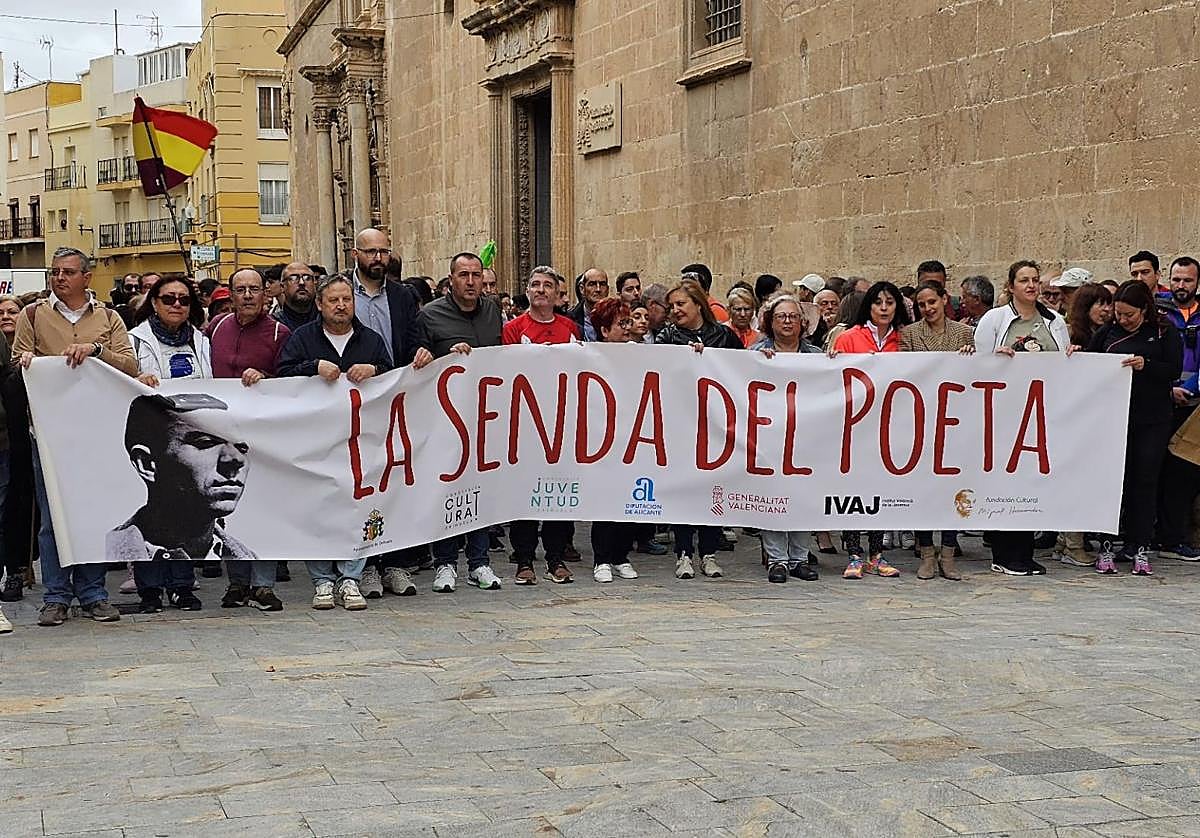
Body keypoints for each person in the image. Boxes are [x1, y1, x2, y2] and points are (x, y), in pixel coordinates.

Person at [13, 247, 139, 627]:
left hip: (97, 433)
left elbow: (130, 365)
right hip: (49, 434)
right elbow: (18, 363)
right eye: (55, 272)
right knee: (52, 519)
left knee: (93, 513)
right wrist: (28, 364)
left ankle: (93, 593)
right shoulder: (32, 315)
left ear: (87, 277)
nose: (59, 278)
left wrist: (96, 351)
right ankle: (56, 596)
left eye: (67, 272)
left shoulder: (109, 317)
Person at [278, 274, 392, 609]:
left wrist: (374, 370)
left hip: (360, 442)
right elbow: (281, 375)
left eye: (347, 300)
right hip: (315, 442)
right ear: (319, 304)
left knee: (357, 509)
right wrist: (312, 367)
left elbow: (394, 377)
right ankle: (322, 580)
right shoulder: (302, 338)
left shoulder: (370, 340)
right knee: (317, 510)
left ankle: (350, 578)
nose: (341, 306)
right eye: (333, 300)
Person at [107, 394, 258, 613]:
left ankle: (181, 588)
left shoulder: (245, 553)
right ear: (146, 463)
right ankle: (151, 590)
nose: (235, 459)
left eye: (242, 448)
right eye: (205, 443)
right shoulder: (108, 546)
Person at [414, 253, 505, 593]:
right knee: (447, 490)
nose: (470, 281)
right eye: (463, 274)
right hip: (444, 418)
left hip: (485, 416)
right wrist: (445, 357)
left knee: (481, 488)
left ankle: (479, 563)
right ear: (450, 279)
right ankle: (446, 562)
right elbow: (417, 362)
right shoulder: (429, 315)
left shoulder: (493, 311)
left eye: (476, 275)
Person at [975, 260, 1073, 576]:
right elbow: (977, 364)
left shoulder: (1054, 321)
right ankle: (1004, 553)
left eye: (1034, 280)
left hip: (1040, 412)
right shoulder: (994, 320)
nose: (1031, 286)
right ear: (1011, 286)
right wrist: (995, 359)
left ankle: (1025, 552)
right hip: (1004, 412)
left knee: (1031, 481)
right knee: (1006, 482)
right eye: (1024, 280)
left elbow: (1061, 361)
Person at [1087, 280, 1181, 576]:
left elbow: (1173, 370)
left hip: (1152, 419)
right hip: (1114, 418)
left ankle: (1139, 544)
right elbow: (1088, 362)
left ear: (1144, 310)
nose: (1123, 319)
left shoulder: (1164, 331)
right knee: (1114, 481)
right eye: (1119, 314)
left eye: (1129, 314)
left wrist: (1146, 365)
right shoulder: (1107, 333)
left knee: (1145, 481)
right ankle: (1106, 544)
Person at [655, 279, 741, 579]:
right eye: (672, 306)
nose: (675, 310)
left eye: (681, 304)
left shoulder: (724, 336)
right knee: (686, 489)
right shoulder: (667, 337)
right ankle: (683, 554)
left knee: (713, 489)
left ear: (698, 305)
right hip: (682, 424)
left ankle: (709, 552)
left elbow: (744, 368)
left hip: (717, 424)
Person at [501, 267, 579, 585]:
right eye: (535, 284)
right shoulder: (513, 328)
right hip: (526, 423)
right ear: (528, 291)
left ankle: (556, 558)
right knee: (525, 491)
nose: (541, 290)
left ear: (558, 294)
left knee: (558, 491)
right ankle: (524, 559)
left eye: (548, 285)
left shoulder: (570, 328)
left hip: (562, 422)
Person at [831, 281, 911, 580]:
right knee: (853, 489)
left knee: (882, 488)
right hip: (855, 425)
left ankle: (877, 554)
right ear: (869, 306)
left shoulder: (904, 340)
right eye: (878, 302)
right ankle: (854, 553)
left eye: (890, 302)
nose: (884, 308)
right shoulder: (849, 338)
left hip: (891, 425)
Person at [900, 281, 975, 580]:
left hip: (955, 419)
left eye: (932, 302)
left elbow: (975, 372)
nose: (928, 308)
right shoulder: (910, 334)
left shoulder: (964, 333)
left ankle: (949, 553)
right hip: (921, 418)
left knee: (953, 487)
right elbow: (902, 371)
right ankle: (927, 553)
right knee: (923, 488)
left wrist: (970, 356)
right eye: (922, 304)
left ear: (944, 300)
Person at [751, 295, 822, 583]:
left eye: (793, 316)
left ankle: (799, 558)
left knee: (803, 496)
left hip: (807, 436)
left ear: (802, 322)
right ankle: (777, 559)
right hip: (770, 435)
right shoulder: (756, 352)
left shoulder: (816, 355)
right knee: (773, 495)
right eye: (781, 316)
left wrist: (835, 363)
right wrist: (758, 363)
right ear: (771, 322)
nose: (788, 321)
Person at [588, 298, 642, 583]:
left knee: (630, 498)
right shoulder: (590, 356)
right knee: (604, 499)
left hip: (633, 436)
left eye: (629, 322)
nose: (628, 328)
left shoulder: (641, 354)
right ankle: (602, 558)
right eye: (622, 323)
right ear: (605, 331)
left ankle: (621, 555)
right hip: (602, 437)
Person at [1159, 256, 1200, 561]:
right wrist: (1168, 389)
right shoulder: (1158, 312)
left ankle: (1174, 538)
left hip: (1193, 405)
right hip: (1161, 401)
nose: (1181, 285)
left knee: (1183, 473)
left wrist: (1191, 388)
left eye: (1187, 280)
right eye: (1176, 279)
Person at [206, 268, 291, 386]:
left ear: (264, 294)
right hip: (216, 396)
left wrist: (264, 377)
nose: (247, 296)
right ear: (231, 295)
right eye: (240, 290)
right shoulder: (217, 324)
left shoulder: (279, 333)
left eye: (254, 289)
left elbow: (288, 379)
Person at [272, 262, 319, 333]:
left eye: (307, 278)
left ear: (314, 284)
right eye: (293, 278)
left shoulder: (328, 320)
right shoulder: (274, 326)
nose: (301, 282)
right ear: (282, 287)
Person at [1066, 282, 1113, 350]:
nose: (1107, 309)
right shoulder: (1069, 333)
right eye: (1100, 303)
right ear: (1085, 306)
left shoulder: (1111, 333)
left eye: (1108, 304)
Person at [569, 268, 609, 340]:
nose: (598, 289)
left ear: (607, 290)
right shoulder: (570, 318)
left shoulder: (616, 317)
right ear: (582, 289)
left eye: (602, 284)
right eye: (592, 284)